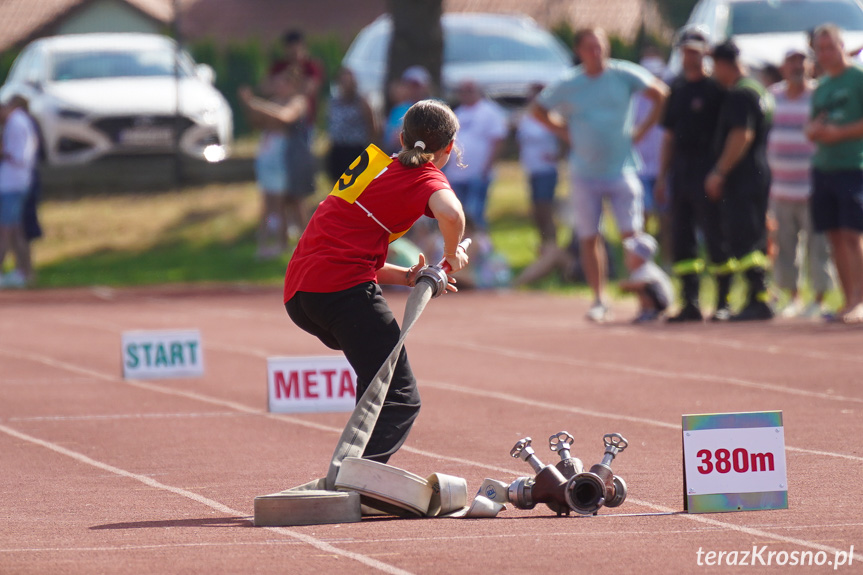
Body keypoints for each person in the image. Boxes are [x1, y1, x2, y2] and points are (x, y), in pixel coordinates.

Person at [283, 99, 468, 463]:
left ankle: (353, 471)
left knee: (374, 387)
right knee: (399, 395)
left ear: (400, 137)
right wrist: (451, 255)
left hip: (302, 294)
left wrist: (406, 276)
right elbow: (452, 212)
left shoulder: (373, 166)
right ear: (449, 147)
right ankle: (360, 479)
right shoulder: (425, 176)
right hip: (340, 294)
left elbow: (342, 249)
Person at [532, 27, 668, 322]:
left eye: (601, 46)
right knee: (589, 236)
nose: (597, 53)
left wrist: (642, 130)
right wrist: (562, 130)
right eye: (590, 48)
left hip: (622, 168)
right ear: (579, 51)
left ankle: (645, 299)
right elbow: (538, 109)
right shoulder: (570, 82)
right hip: (583, 172)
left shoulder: (623, 74)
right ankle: (598, 298)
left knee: (633, 236)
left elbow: (660, 93)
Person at [656, 27, 733, 322]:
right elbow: (668, 137)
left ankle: (723, 300)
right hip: (682, 171)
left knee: (715, 235)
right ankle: (689, 300)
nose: (691, 57)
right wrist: (663, 177)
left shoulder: (716, 90)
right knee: (682, 238)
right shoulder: (676, 89)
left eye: (697, 52)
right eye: (686, 51)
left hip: (707, 169)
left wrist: (720, 172)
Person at [706, 40, 775, 321]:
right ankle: (757, 296)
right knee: (755, 234)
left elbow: (741, 135)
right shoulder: (759, 89)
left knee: (745, 236)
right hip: (759, 170)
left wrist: (720, 171)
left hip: (744, 175)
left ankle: (757, 297)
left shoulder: (740, 94)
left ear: (722, 64)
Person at [768, 48, 833, 319]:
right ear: (782, 67)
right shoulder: (772, 95)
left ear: (810, 65)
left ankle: (819, 298)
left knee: (818, 246)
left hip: (813, 184)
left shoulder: (820, 94)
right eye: (790, 60)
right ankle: (792, 296)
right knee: (785, 246)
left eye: (800, 60)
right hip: (780, 186)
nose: (796, 66)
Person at [806, 24, 863, 323]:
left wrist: (839, 132)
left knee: (854, 234)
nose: (826, 54)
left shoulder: (858, 79)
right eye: (820, 49)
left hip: (853, 165)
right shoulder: (822, 86)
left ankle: (861, 299)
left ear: (842, 46)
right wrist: (814, 131)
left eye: (831, 47)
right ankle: (848, 298)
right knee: (835, 236)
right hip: (824, 167)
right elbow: (812, 125)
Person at [240, 69, 311, 257]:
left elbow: (285, 116)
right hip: (272, 154)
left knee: (294, 201)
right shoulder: (273, 102)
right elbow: (257, 122)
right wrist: (248, 105)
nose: (278, 86)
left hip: (292, 157)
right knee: (272, 200)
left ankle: (304, 244)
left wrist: (255, 103)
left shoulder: (298, 101)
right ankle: (276, 243)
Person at [445, 80, 508, 230]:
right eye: (462, 91)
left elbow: (498, 139)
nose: (466, 94)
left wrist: (487, 167)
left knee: (475, 214)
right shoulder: (457, 112)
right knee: (456, 214)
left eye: (469, 90)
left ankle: (479, 247)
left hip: (478, 173)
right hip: (456, 174)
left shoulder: (489, 111)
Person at [633, 50, 670, 266]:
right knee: (643, 215)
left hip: (662, 168)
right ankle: (644, 262)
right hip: (640, 168)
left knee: (666, 218)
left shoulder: (668, 99)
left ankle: (666, 259)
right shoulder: (634, 100)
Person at [0, 94, 39, 288]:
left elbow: (19, 155)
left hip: (12, 183)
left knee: (6, 231)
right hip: (16, 182)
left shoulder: (16, 123)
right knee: (15, 231)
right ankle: (24, 272)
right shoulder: (20, 121)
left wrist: (2, 151)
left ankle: (20, 272)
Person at [326, 67, 378, 181]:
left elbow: (371, 126)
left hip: (355, 149)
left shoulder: (361, 102)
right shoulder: (333, 102)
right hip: (338, 148)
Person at [268, 29, 324, 124]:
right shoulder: (279, 66)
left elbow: (309, 89)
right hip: (280, 116)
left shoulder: (311, 66)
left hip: (304, 119)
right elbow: (266, 86)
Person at [619, 232, 673, 323]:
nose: (626, 257)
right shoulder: (638, 271)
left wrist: (627, 285)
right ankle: (645, 311)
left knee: (645, 287)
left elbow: (646, 284)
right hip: (659, 298)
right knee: (641, 288)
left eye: (630, 254)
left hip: (661, 299)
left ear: (639, 257)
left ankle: (651, 311)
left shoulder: (647, 269)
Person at [384, 66, 432, 154]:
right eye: (409, 85)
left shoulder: (435, 107)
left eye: (416, 86)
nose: (413, 89)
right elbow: (392, 140)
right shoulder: (398, 110)